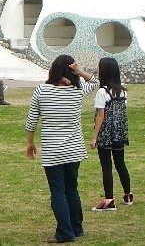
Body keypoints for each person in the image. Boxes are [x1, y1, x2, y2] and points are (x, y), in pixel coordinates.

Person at [25, 55, 98, 244]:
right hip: (74, 149)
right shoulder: (77, 90)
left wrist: (30, 143)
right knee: (72, 189)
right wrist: (80, 71)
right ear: (70, 71)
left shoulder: (42, 90)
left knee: (58, 191)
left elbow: (31, 121)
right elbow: (96, 82)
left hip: (52, 150)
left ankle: (65, 232)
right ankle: (76, 227)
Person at [89, 57, 131, 211]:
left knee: (106, 166)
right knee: (120, 164)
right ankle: (128, 194)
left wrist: (94, 137)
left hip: (106, 134)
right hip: (119, 132)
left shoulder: (102, 91)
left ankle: (109, 200)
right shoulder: (122, 91)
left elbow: (101, 115)